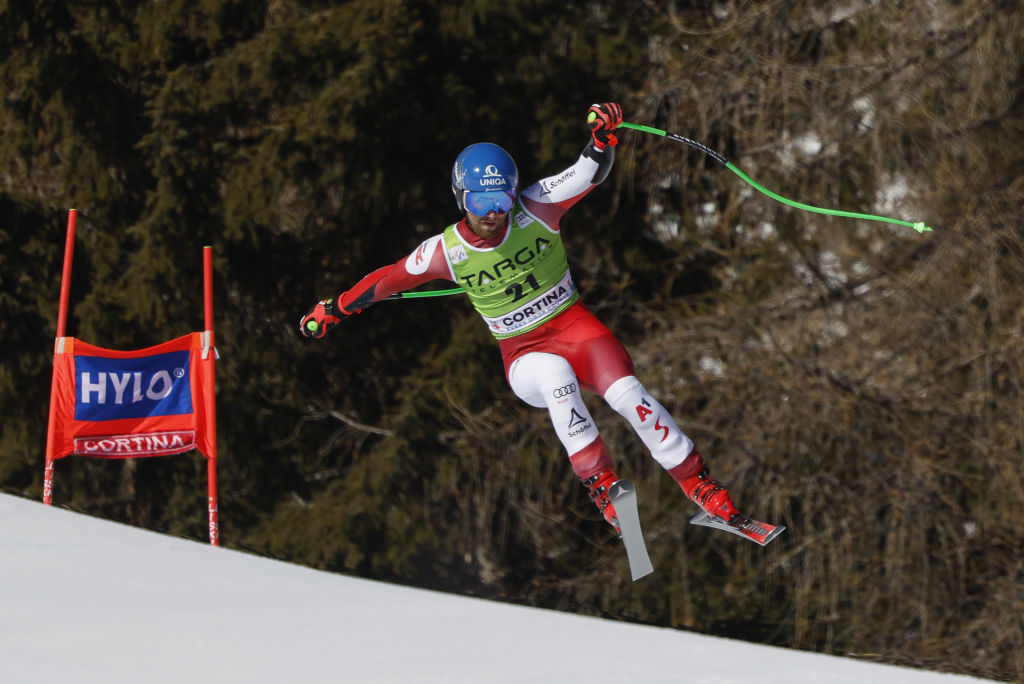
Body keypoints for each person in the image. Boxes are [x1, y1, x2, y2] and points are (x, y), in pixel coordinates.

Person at [300, 102, 742, 534]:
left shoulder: (536, 208)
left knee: (629, 395)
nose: (495, 211)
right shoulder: (446, 251)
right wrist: (334, 309)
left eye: (503, 197)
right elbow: (388, 280)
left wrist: (601, 139)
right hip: (524, 353)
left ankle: (702, 487)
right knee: (555, 377)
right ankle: (604, 487)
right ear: (461, 197)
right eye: (483, 200)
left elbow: (587, 171)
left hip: (575, 328)